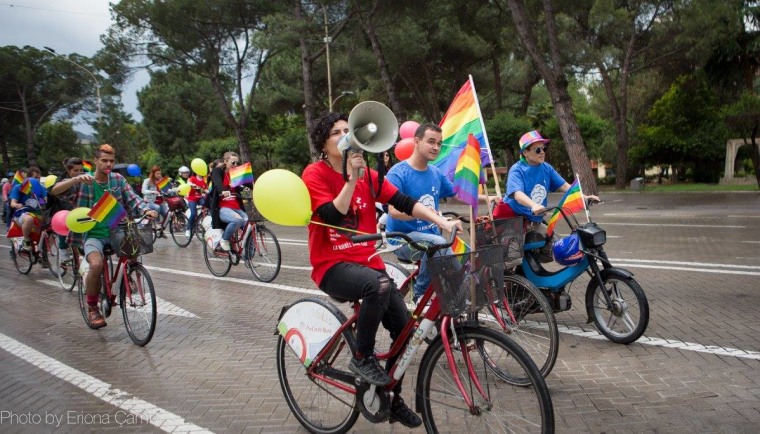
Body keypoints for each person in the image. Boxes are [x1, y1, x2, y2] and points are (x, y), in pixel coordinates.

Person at [302, 112, 462, 428]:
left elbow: (403, 201)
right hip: (332, 265)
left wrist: (442, 222)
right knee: (379, 285)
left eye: (348, 131)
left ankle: (393, 399)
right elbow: (333, 216)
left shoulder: (369, 176)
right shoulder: (315, 173)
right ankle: (362, 357)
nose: (345, 136)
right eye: (337, 132)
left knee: (405, 334)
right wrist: (350, 180)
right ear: (323, 142)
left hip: (367, 263)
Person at [385, 123, 498, 303]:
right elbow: (393, 212)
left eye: (439, 143)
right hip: (402, 240)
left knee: (468, 258)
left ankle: (462, 294)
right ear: (416, 141)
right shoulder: (398, 173)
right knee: (438, 244)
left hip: (432, 238)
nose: (436, 147)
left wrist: (487, 198)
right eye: (431, 142)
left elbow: (458, 194)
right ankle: (421, 295)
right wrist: (427, 214)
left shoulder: (436, 173)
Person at [70, 144, 157, 329]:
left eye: (111, 160)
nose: (108, 164)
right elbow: (63, 197)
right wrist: (74, 180)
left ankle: (128, 275)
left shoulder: (117, 179)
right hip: (93, 235)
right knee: (97, 264)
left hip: (117, 230)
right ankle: (92, 307)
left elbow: (133, 199)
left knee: (134, 247)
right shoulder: (87, 181)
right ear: (95, 161)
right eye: (104, 160)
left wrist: (146, 209)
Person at [495, 130, 599, 261]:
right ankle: (510, 279)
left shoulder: (546, 168)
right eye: (537, 150)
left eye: (544, 148)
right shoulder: (517, 169)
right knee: (512, 260)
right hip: (515, 222)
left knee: (558, 251)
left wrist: (583, 197)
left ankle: (528, 267)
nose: (542, 152)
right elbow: (517, 194)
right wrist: (533, 205)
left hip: (535, 222)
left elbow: (565, 186)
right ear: (525, 153)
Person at [49, 157, 89, 261]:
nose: (79, 173)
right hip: (63, 210)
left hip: (81, 210)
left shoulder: (87, 178)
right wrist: (74, 180)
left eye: (81, 170)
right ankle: (63, 248)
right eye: (75, 171)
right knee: (65, 223)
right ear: (68, 171)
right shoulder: (64, 181)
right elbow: (56, 192)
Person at [208, 152, 248, 251]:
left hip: (237, 207)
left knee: (248, 224)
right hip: (223, 208)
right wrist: (223, 191)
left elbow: (241, 188)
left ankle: (248, 254)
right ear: (226, 161)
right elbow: (217, 183)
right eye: (233, 163)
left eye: (237, 163)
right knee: (238, 220)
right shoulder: (217, 171)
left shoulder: (235, 174)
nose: (236, 165)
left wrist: (249, 191)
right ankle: (224, 240)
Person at [9, 167, 47, 253]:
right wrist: (17, 205)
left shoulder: (41, 188)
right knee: (29, 219)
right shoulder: (18, 187)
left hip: (39, 214)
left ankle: (44, 253)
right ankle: (26, 241)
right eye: (35, 177)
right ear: (28, 178)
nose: (37, 179)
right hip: (22, 214)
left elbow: (46, 199)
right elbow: (12, 203)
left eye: (39, 177)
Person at [185, 168, 208, 238]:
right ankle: (188, 229)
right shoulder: (192, 178)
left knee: (207, 205)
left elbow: (205, 189)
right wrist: (192, 185)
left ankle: (202, 219)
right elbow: (189, 183)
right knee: (193, 213)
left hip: (200, 198)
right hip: (192, 199)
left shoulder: (204, 180)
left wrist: (207, 191)